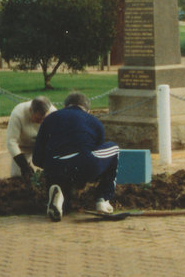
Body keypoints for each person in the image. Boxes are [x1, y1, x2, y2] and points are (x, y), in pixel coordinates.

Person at [31, 91, 119, 222]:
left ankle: (60, 200)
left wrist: (51, 168)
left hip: (55, 167)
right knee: (114, 148)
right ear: (87, 110)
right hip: (83, 164)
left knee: (63, 177)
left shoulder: (49, 119)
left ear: (65, 106)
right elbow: (98, 156)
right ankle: (103, 199)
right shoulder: (95, 122)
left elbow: (37, 158)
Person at [6, 96, 53, 180]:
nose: (41, 122)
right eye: (38, 119)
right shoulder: (18, 114)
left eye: (44, 119)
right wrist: (24, 166)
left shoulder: (53, 113)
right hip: (23, 146)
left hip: (44, 145)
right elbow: (11, 142)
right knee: (17, 176)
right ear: (30, 110)